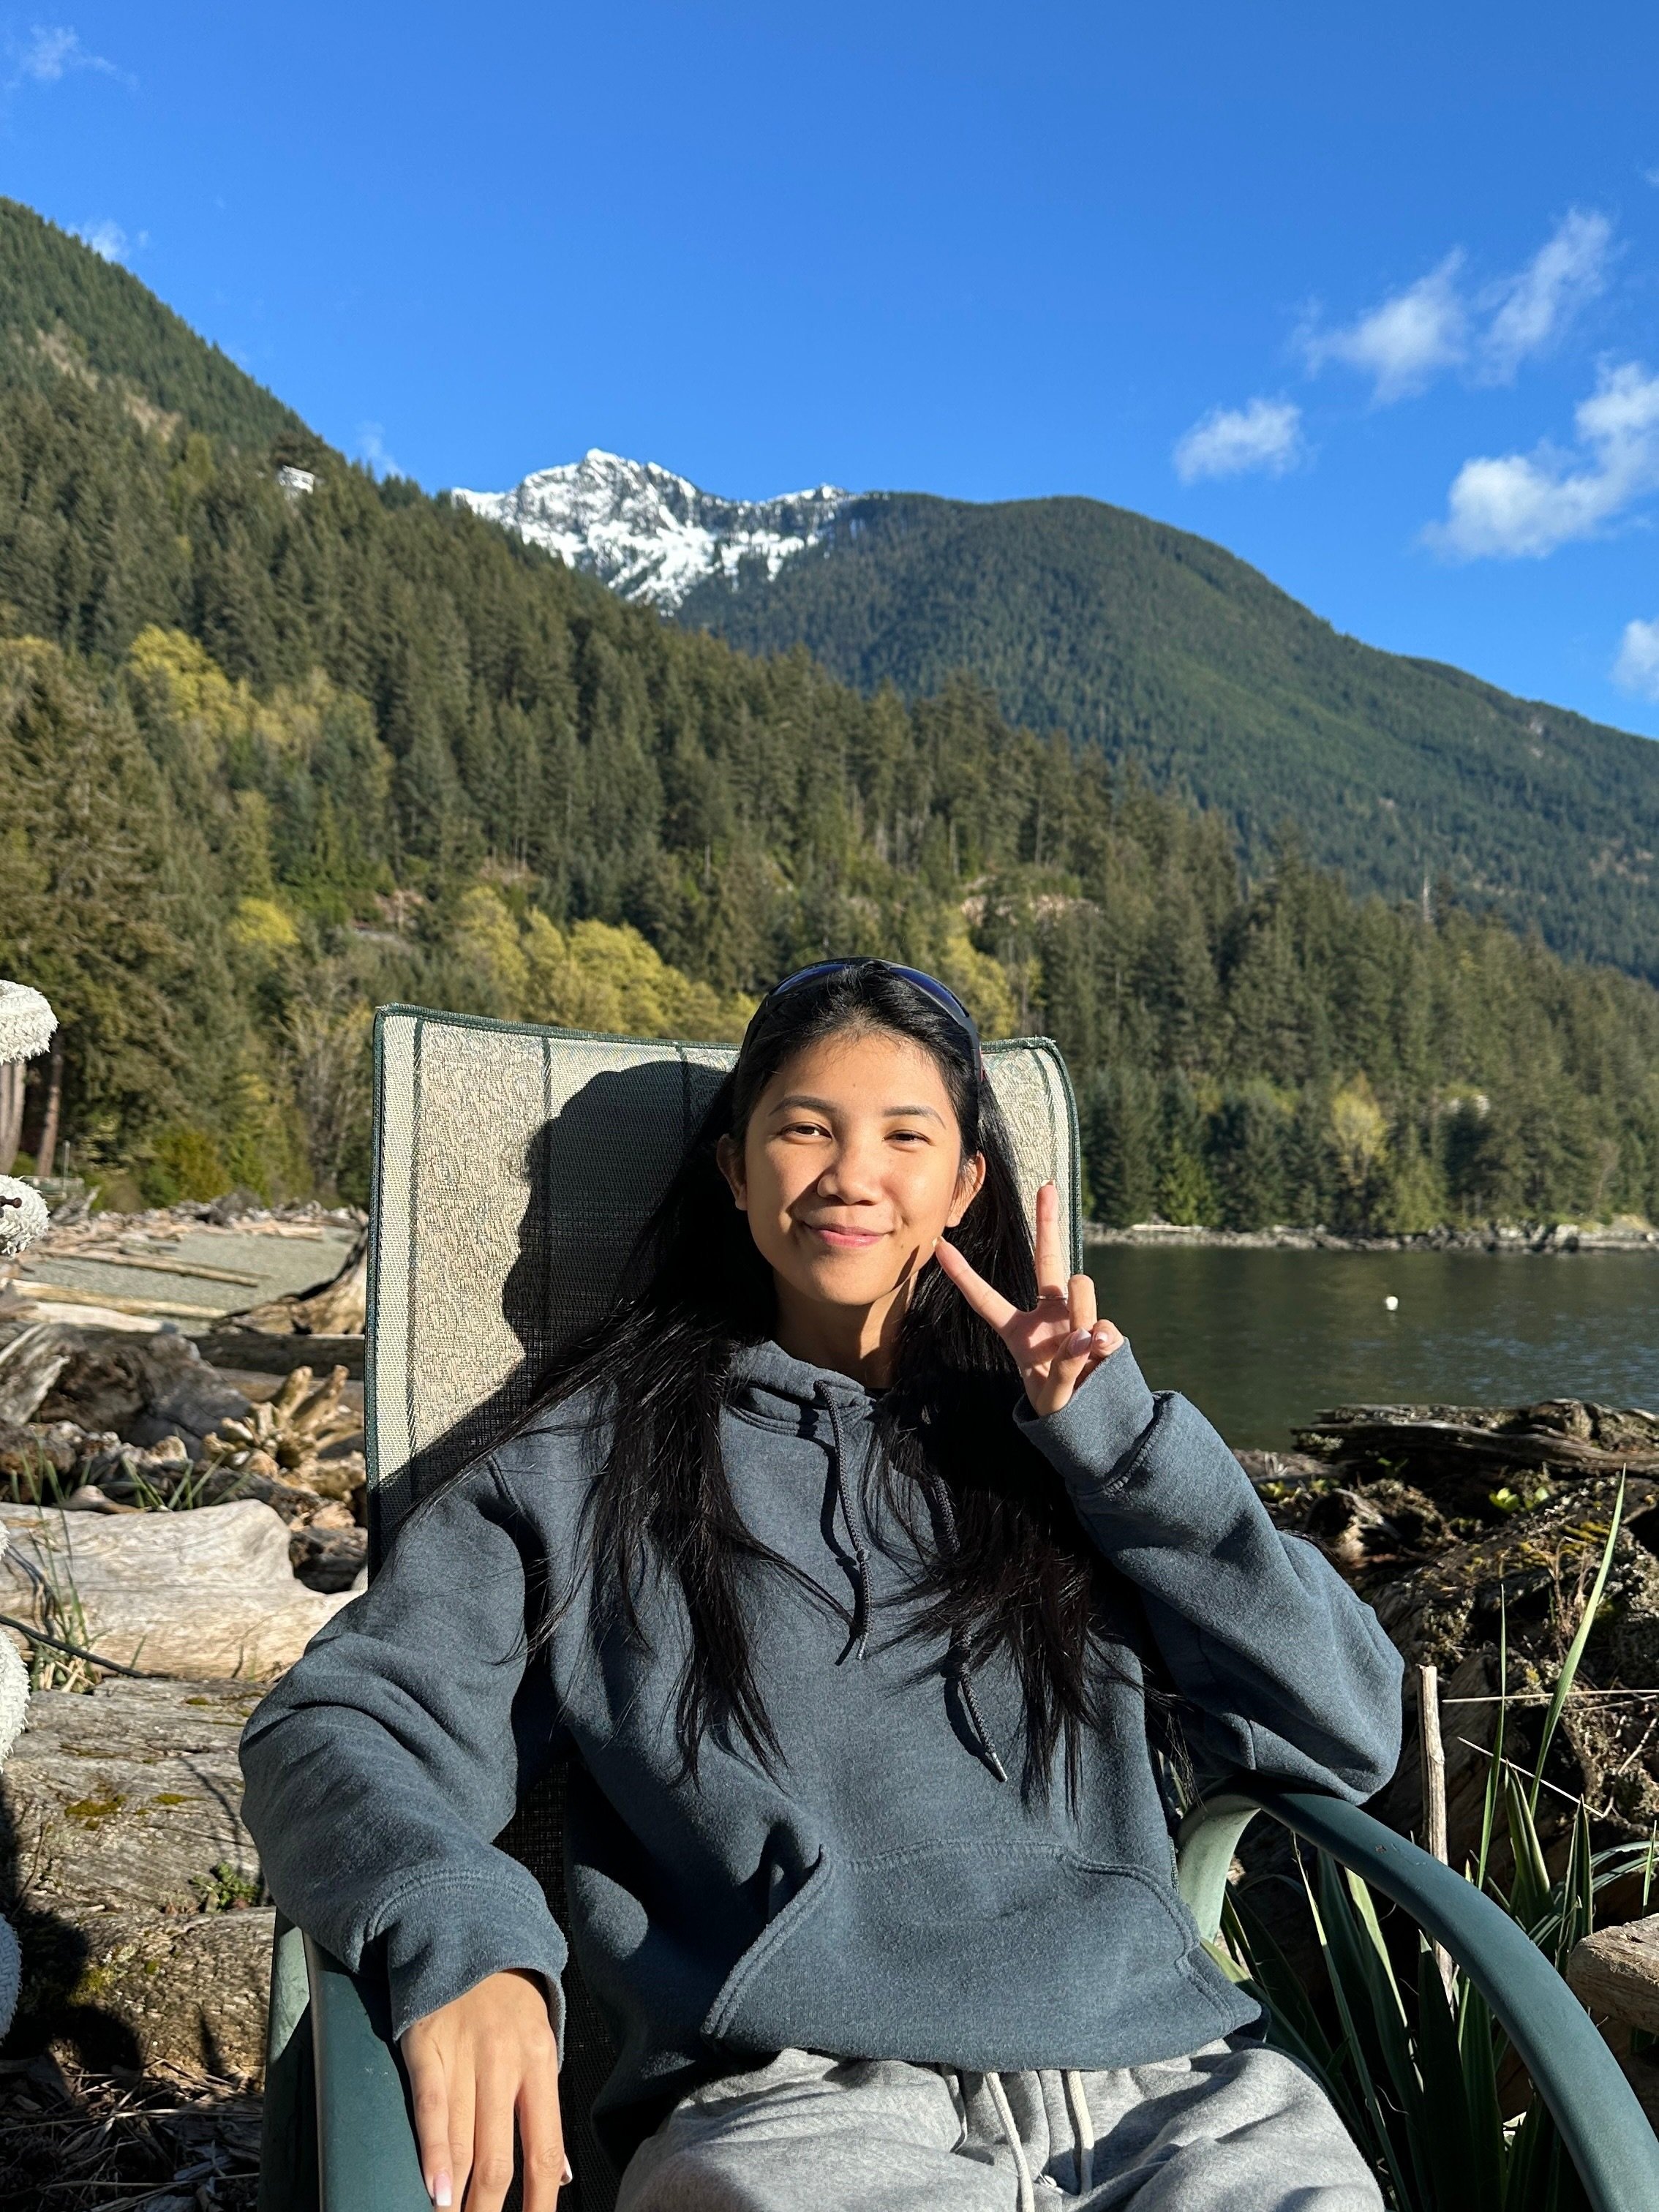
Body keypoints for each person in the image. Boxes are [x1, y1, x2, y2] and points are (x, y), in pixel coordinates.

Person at [241, 958, 1402, 2212]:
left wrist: (1126, 1456)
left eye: (907, 1136)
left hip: (1176, 2100)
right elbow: (341, 1726)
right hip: (800, 2114)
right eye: (806, 1128)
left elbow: (1348, 1728)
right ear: (736, 1170)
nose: (854, 1174)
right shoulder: (585, 1468)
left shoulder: (1076, 1450)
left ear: (964, 1186)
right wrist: (462, 1931)